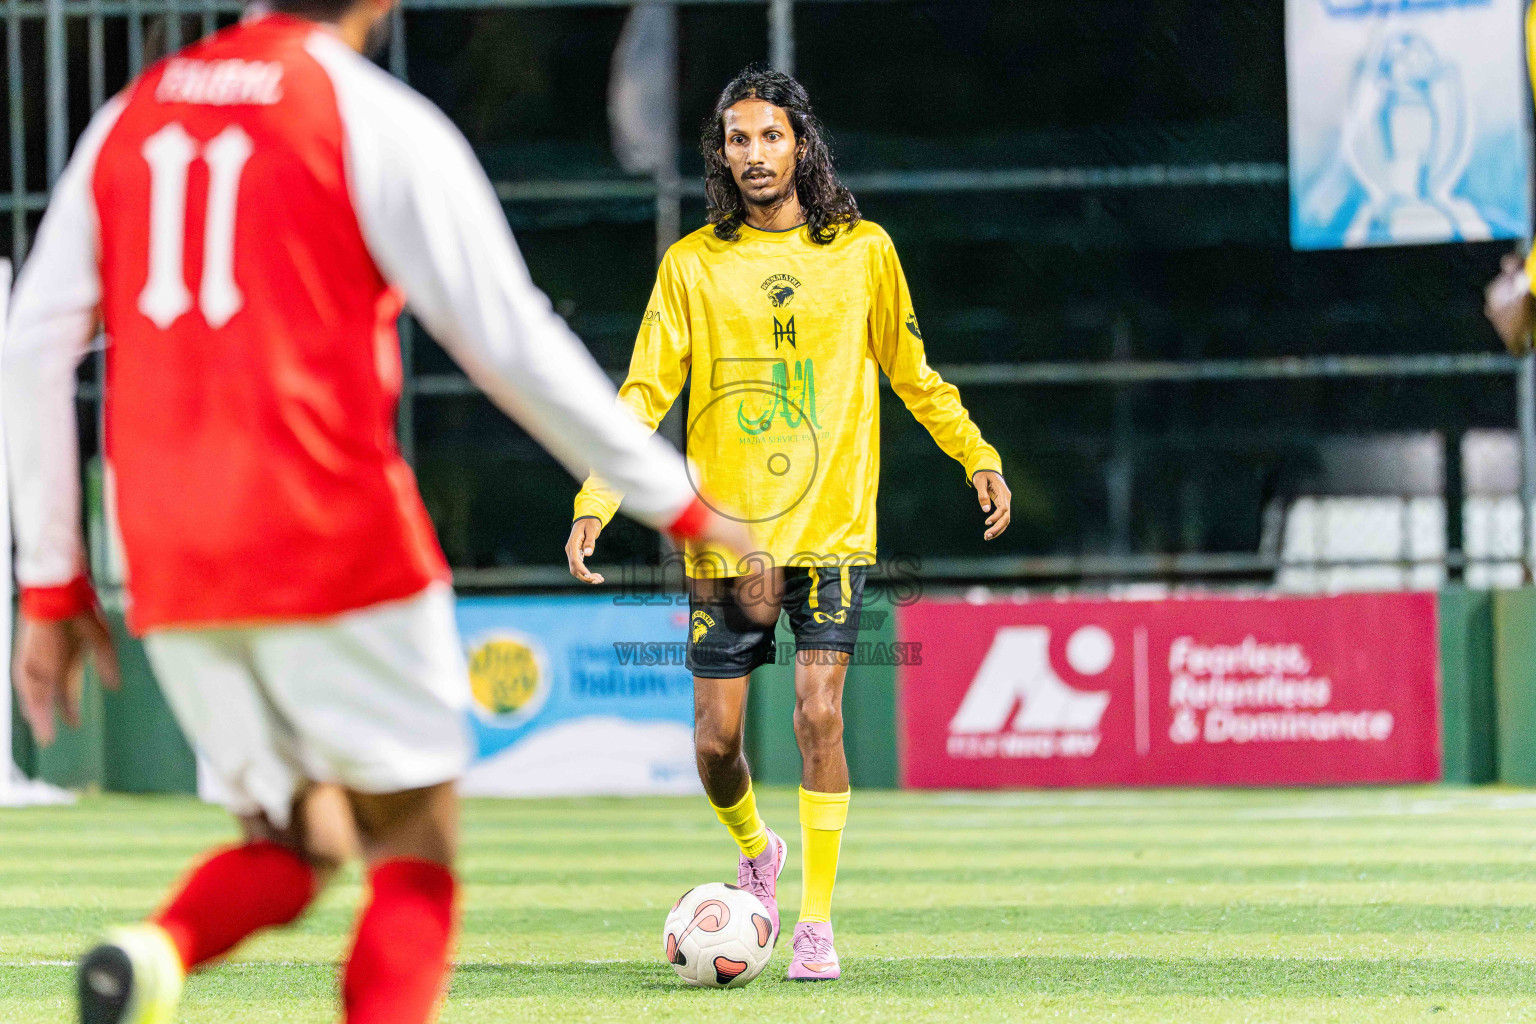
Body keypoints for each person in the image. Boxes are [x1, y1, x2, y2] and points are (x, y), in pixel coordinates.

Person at [4, 2, 749, 1022]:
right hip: (330, 536)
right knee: (415, 851)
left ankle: (154, 951)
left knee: (298, 843)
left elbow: (32, 345)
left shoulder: (131, 119)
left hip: (175, 561)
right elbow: (512, 344)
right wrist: (687, 506)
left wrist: (50, 580)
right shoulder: (373, 120)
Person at [564, 66, 1011, 981]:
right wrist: (595, 498)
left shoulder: (864, 252)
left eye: (770, 136)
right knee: (715, 742)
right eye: (738, 140)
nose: (755, 154)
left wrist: (977, 454)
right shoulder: (692, 265)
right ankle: (754, 852)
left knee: (818, 716)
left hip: (833, 532)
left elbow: (914, 374)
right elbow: (645, 389)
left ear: (801, 144)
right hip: (726, 541)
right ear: (720, 155)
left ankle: (814, 922)